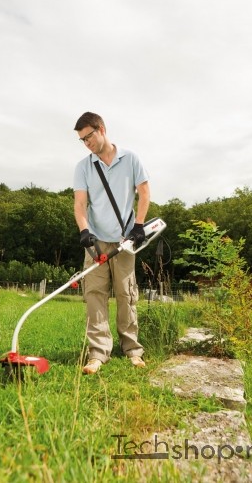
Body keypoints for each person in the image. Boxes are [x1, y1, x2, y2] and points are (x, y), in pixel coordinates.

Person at [73, 112, 150, 374]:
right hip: (96, 242)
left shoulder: (131, 159)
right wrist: (85, 232)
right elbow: (80, 204)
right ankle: (98, 353)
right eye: (82, 140)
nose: (87, 143)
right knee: (95, 295)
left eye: (89, 136)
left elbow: (144, 192)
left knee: (126, 294)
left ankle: (132, 350)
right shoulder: (84, 167)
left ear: (102, 129)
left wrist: (139, 224)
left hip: (125, 241)